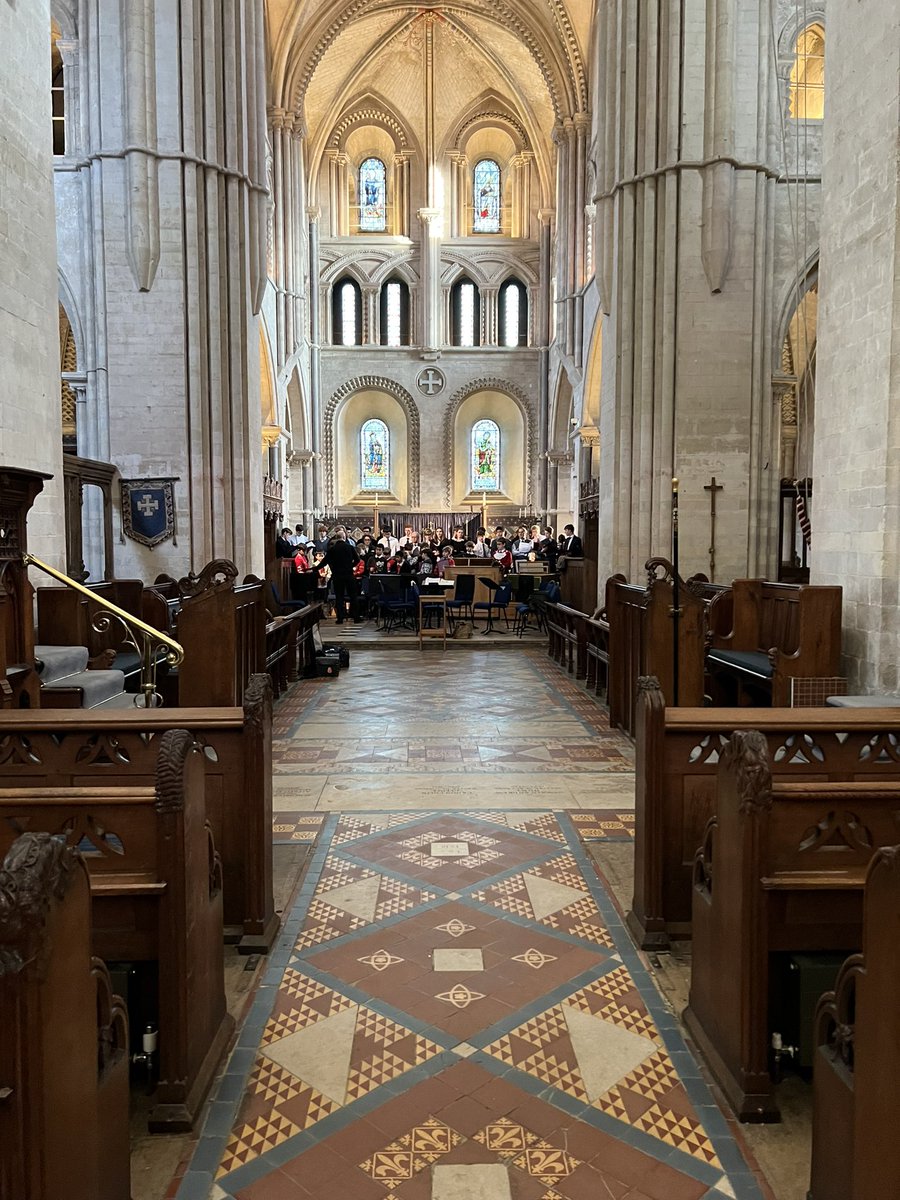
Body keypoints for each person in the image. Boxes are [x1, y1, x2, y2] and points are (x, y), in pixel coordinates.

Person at [321, 530, 362, 623]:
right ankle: (356, 617)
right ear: (344, 537)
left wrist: (314, 569)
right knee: (353, 596)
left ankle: (340, 618)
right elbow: (357, 560)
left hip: (337, 576)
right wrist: (350, 566)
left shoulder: (332, 549)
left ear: (336, 538)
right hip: (348, 575)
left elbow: (324, 562)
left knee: (339, 597)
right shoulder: (350, 547)